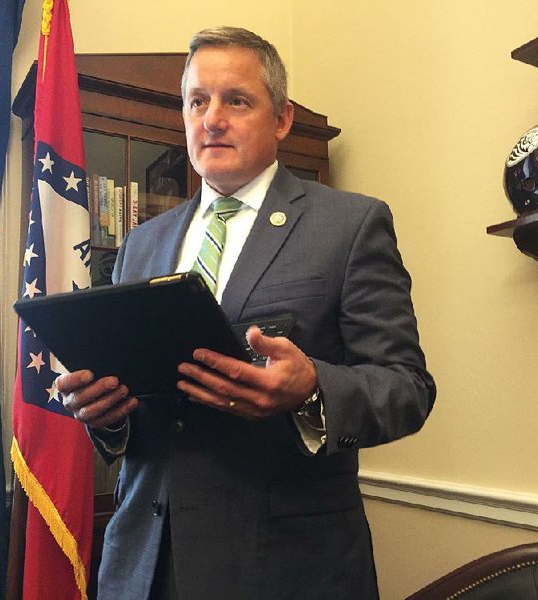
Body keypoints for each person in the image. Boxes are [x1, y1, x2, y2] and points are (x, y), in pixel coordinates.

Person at [57, 26, 436, 600]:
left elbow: (407, 388)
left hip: (283, 569)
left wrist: (311, 389)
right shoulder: (141, 244)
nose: (212, 118)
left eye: (236, 100)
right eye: (197, 101)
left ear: (281, 119)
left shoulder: (350, 225)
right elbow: (144, 410)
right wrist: (106, 413)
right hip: (143, 565)